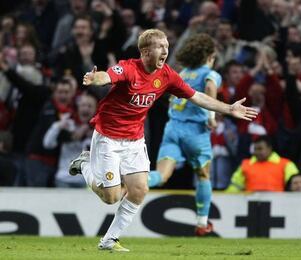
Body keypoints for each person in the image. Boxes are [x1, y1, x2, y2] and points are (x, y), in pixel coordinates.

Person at [69, 29, 257, 252]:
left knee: (139, 190)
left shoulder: (167, 75)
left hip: (135, 140)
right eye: (160, 46)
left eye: (167, 46)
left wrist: (228, 108)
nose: (166, 50)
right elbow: (109, 75)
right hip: (108, 138)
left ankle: (109, 239)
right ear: (146, 51)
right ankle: (84, 164)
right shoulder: (129, 68)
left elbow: (196, 96)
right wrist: (95, 78)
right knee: (111, 198)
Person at [147, 33, 222, 236]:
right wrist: (211, 116)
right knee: (203, 175)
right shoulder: (210, 73)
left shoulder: (182, 73)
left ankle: (133, 184)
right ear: (208, 56)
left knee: (162, 175)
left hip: (172, 129)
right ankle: (201, 223)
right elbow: (209, 86)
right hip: (195, 132)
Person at [225, 135, 300, 192]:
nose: (256, 152)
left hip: (279, 207)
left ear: (269, 148)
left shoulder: (286, 164)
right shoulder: (245, 164)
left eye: (260, 149)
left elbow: (297, 186)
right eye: (255, 149)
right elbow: (234, 188)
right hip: (250, 208)